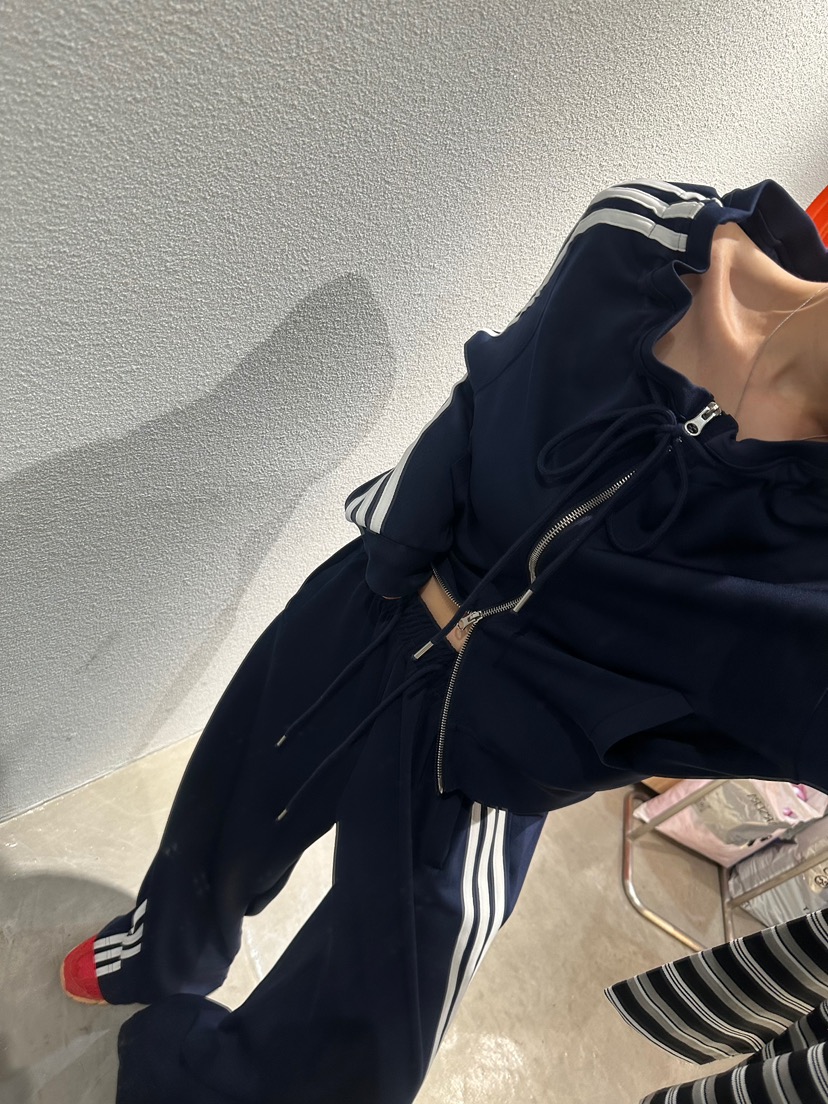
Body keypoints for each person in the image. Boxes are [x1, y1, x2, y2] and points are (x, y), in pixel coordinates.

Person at [60, 174, 828, 1104]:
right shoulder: (644, 236)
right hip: (372, 608)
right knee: (231, 798)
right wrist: (390, 560)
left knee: (367, 1031)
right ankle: (164, 948)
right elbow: (478, 401)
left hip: (484, 772)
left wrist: (548, 749)